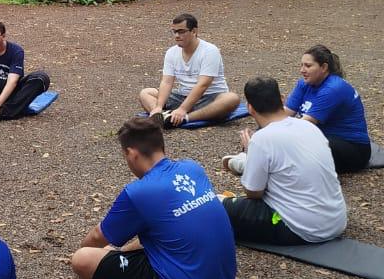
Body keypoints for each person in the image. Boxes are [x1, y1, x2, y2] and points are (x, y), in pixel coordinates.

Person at [71, 118, 236, 279]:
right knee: (164, 228)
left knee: (82, 259)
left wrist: (87, 252)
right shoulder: (193, 168)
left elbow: (98, 237)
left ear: (131, 154)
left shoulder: (139, 191)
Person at [221, 77, 347, 245]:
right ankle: (242, 162)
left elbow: (253, 193)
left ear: (250, 108)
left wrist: (252, 151)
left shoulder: (261, 139)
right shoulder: (309, 127)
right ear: (282, 100)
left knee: (213, 204)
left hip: (299, 228)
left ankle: (243, 162)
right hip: (336, 222)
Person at [139, 13, 241, 126]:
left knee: (232, 99)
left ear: (194, 31)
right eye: (174, 32)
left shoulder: (210, 51)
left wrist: (183, 109)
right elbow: (167, 82)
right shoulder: (171, 52)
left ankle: (185, 118)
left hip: (209, 97)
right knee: (146, 93)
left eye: (181, 31)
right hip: (182, 96)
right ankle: (162, 116)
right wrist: (158, 106)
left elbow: (203, 84)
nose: (177, 35)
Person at [283, 45, 372, 174]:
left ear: (324, 67)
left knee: (304, 146)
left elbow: (302, 126)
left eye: (308, 66)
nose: (302, 70)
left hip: (353, 148)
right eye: (301, 65)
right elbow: (284, 115)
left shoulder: (333, 89)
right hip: (323, 137)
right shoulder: (304, 83)